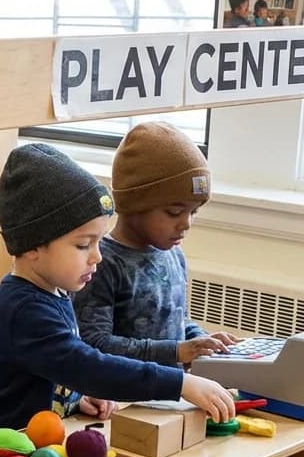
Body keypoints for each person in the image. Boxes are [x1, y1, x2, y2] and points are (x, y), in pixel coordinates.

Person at [0, 143, 236, 441]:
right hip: (3, 449)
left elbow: (53, 370)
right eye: (83, 245)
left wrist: (75, 400)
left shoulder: (53, 291)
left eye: (98, 242)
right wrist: (179, 383)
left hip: (41, 442)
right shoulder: (24, 309)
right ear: (32, 246)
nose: (97, 256)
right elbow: (85, 365)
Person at [73, 122, 238, 368]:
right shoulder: (101, 263)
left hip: (170, 391)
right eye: (174, 212)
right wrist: (176, 352)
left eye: (194, 212)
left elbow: (178, 323)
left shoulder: (174, 255)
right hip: (122, 400)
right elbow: (94, 344)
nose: (187, 223)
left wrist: (200, 339)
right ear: (134, 204)